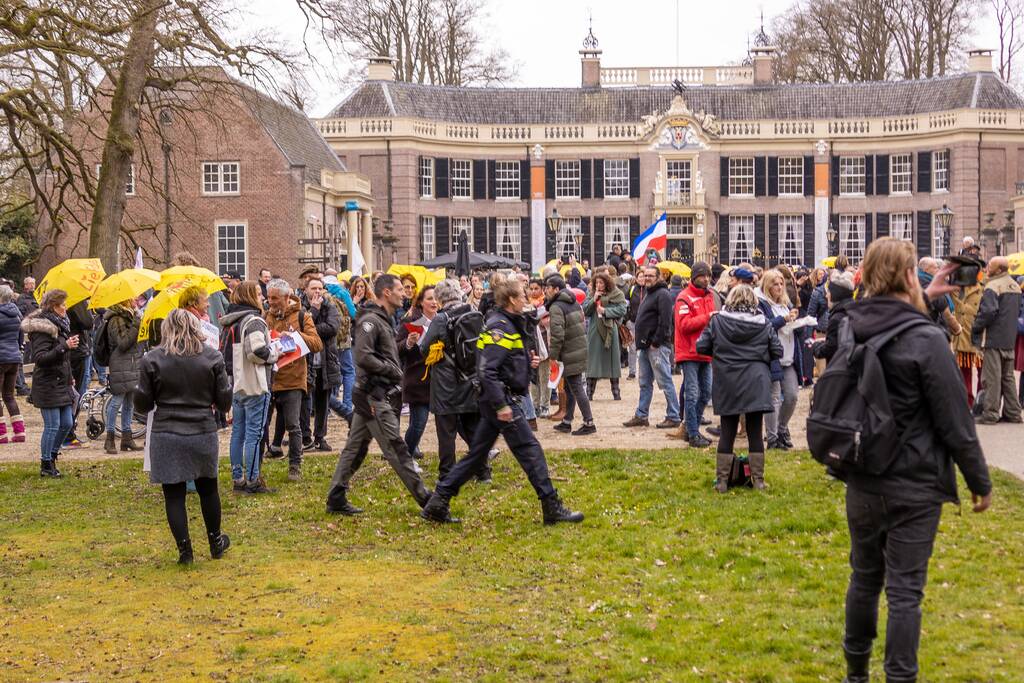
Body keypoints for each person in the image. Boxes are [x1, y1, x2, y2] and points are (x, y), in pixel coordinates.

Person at [834, 237, 992, 683]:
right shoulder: (926, 338)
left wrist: (923, 297)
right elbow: (955, 422)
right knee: (905, 591)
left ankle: (856, 673)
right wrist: (979, 481)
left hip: (864, 475)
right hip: (914, 480)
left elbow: (886, 322)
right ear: (909, 276)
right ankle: (900, 676)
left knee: (864, 578)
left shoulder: (852, 325)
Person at [420, 278, 583, 525]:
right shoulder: (500, 326)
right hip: (501, 401)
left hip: (497, 400)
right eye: (522, 296)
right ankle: (551, 505)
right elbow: (487, 370)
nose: (526, 299)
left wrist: (526, 361)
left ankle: (438, 502)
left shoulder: (506, 323)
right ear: (511, 300)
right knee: (531, 451)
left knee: (476, 456)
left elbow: (502, 360)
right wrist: (501, 405)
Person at [325, 274, 432, 515]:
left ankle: (336, 496)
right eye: (400, 289)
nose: (404, 294)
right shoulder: (371, 321)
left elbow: (383, 352)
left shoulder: (384, 319)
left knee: (356, 448)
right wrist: (392, 370)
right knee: (396, 448)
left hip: (371, 394)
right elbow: (363, 356)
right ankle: (429, 502)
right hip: (373, 395)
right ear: (387, 293)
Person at [136, 309, 233, 565]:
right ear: (196, 327)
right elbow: (224, 402)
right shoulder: (212, 357)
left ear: (166, 329)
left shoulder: (152, 359)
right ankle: (215, 542)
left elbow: (143, 404)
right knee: (208, 489)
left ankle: (185, 551)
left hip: (167, 431)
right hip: (201, 429)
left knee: (174, 494)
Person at [696, 284, 781, 492]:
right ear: (753, 301)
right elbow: (777, 350)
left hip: (728, 379)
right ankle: (758, 480)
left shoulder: (717, 321)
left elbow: (701, 346)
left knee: (727, 431)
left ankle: (722, 481)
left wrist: (721, 353)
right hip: (756, 379)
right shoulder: (763, 323)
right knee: (755, 431)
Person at [418, 279, 492, 481]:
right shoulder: (474, 313)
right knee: (473, 429)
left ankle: (447, 474)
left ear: (439, 299)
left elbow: (424, 348)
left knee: (446, 433)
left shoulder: (440, 319)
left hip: (446, 384)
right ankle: (483, 472)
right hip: (471, 379)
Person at [220, 282, 279, 494]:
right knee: (253, 434)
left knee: (238, 432)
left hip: (237, 383)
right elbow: (256, 351)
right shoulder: (253, 321)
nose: (262, 297)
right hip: (255, 383)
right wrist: (275, 353)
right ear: (251, 297)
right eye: (258, 293)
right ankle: (253, 480)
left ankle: (238, 478)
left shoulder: (231, 321)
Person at [264, 278, 323, 480]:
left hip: (293, 378)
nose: (270, 302)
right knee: (263, 424)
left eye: (275, 298)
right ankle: (261, 461)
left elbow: (316, 343)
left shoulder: (302, 315)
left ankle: (295, 466)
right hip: (271, 378)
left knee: (293, 424)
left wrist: (295, 336)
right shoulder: (266, 316)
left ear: (287, 297)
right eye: (269, 297)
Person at [22, 290, 79, 477]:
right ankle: (46, 464)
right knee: (53, 425)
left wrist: (70, 377)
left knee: (67, 423)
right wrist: (64, 346)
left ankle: (52, 455)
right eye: (62, 304)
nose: (65, 308)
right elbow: (40, 359)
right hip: (47, 384)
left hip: (61, 383)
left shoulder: (61, 325)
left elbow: (64, 360)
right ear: (54, 306)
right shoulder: (43, 329)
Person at [624, 266, 680, 429]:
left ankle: (674, 415)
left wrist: (656, 342)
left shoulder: (663, 294)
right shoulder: (650, 292)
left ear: (659, 277)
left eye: (650, 275)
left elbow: (665, 321)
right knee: (644, 382)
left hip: (657, 347)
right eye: (645, 275)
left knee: (665, 381)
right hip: (645, 346)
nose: (647, 278)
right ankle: (642, 415)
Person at [972, 256, 1023, 424]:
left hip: (993, 338)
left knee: (992, 378)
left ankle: (991, 414)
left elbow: (988, 312)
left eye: (990, 266)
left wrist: (976, 326)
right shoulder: (1015, 286)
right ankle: (1013, 412)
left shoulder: (993, 286)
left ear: (999, 269)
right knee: (1008, 378)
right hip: (1009, 338)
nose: (987, 268)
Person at [671, 261, 715, 446]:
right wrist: (708, 318)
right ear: (694, 277)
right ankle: (693, 433)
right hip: (689, 352)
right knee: (692, 393)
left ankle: (692, 429)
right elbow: (684, 325)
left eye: (708, 276)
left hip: (706, 351)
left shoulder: (709, 296)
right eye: (702, 276)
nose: (706, 279)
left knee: (706, 393)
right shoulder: (684, 297)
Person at [544, 274, 594, 435]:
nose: (545, 291)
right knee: (570, 387)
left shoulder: (556, 306)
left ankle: (589, 423)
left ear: (556, 289)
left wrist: (553, 356)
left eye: (548, 287)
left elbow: (557, 335)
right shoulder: (573, 302)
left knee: (576, 387)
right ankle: (567, 421)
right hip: (578, 348)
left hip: (569, 351)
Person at [757, 270, 800, 451]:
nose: (780, 287)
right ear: (767, 285)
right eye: (775, 284)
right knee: (774, 398)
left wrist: (797, 320)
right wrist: (783, 319)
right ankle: (772, 438)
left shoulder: (785, 303)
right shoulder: (761, 303)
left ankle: (782, 429)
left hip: (789, 357)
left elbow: (790, 328)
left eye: (781, 283)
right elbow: (765, 326)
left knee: (792, 396)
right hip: (772, 357)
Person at [397, 284, 436, 462]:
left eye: (436, 298)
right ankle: (405, 456)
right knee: (418, 423)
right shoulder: (410, 323)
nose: (434, 302)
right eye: (430, 298)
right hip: (418, 381)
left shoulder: (443, 320)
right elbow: (396, 348)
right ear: (421, 302)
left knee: (457, 421)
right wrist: (408, 343)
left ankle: (479, 453)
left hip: (441, 381)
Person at [301, 277, 341, 452]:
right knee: (304, 402)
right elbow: (300, 330)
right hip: (306, 362)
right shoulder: (301, 307)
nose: (317, 291)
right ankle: (305, 437)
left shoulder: (330, 307)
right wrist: (314, 312)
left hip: (325, 361)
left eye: (320, 288)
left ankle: (320, 437)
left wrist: (311, 330)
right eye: (314, 288)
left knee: (323, 402)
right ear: (306, 290)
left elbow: (332, 328)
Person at [102, 298, 143, 455]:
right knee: (117, 401)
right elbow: (123, 343)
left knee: (129, 403)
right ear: (125, 300)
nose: (135, 299)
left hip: (131, 363)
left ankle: (127, 438)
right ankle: (110, 438)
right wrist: (136, 324)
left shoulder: (128, 316)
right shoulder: (116, 319)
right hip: (120, 364)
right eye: (132, 297)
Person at [582, 271, 628, 401]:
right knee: (593, 361)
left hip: (610, 330)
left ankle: (616, 392)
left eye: (601, 283)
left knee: (613, 361)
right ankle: (589, 392)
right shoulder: (591, 293)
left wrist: (606, 311)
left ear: (607, 283)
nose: (598, 285)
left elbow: (622, 309)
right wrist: (594, 299)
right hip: (595, 330)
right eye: (596, 283)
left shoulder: (616, 293)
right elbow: (585, 310)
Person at [62, 300, 94, 449]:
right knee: (76, 395)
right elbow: (88, 322)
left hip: (71, 350)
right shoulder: (76, 300)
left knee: (73, 394)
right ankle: (68, 435)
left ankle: (67, 432)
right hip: (77, 351)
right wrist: (86, 307)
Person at [951, 277, 984, 408]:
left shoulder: (985, 285)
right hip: (963, 334)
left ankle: (980, 403)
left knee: (982, 372)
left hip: (979, 334)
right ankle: (968, 402)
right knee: (965, 372)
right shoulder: (955, 286)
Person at [811, 270, 856, 365]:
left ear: (835, 295)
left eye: (829, 292)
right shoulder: (852, 310)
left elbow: (830, 348)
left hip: (838, 366)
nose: (827, 295)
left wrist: (815, 347)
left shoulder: (836, 318)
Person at [0, 285, 25, 444]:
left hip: (1, 358)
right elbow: (21, 336)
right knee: (9, 396)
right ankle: (19, 432)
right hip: (14, 358)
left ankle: (1, 434)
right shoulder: (17, 313)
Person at [15, 276, 37, 395]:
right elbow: (20, 314)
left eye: (34, 283)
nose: (33, 285)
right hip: (26, 330)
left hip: (37, 329)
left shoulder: (36, 297)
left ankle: (33, 371)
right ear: (26, 285)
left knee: (35, 351)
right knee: (27, 351)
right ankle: (25, 375)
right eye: (30, 283)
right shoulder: (22, 298)